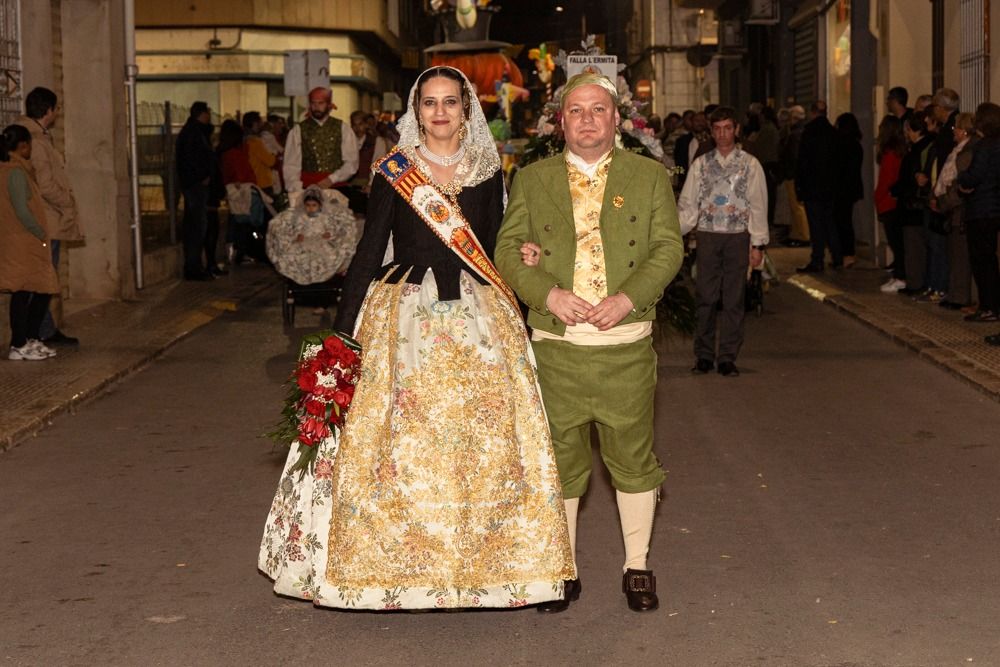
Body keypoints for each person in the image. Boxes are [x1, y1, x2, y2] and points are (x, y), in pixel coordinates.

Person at [259, 66, 574, 610]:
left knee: (487, 438)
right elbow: (368, 251)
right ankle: (392, 569)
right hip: (403, 314)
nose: (441, 113)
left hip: (479, 312)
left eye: (451, 103)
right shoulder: (393, 170)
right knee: (394, 442)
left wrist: (523, 265)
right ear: (416, 111)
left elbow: (496, 244)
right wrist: (341, 337)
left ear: (467, 110)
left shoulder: (484, 168)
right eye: (430, 103)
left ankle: (498, 568)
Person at [496, 72, 684, 613]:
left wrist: (628, 299)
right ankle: (563, 569)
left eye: (597, 109)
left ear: (616, 119)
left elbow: (667, 249)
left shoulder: (648, 177)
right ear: (561, 121)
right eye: (575, 110)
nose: (586, 120)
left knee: (634, 460)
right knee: (561, 460)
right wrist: (547, 295)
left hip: (625, 344)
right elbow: (508, 251)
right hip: (557, 347)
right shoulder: (531, 179)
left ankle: (638, 566)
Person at [678, 106, 768, 377]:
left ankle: (727, 355)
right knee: (705, 296)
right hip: (707, 235)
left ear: (736, 130)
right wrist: (675, 232)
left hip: (737, 236)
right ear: (711, 131)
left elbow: (759, 205)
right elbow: (688, 204)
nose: (722, 134)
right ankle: (704, 354)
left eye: (727, 128)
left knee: (733, 298)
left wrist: (758, 244)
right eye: (717, 129)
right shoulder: (701, 165)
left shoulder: (750, 165)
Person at [18, 87, 80, 346]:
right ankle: (35, 333)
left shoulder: (34, 137)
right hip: (46, 218)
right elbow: (44, 184)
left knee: (44, 278)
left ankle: (44, 329)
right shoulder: (37, 142)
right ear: (48, 110)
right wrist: (68, 202)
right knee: (43, 279)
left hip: (42, 218)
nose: (57, 113)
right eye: (56, 108)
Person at [1, 124, 59, 361]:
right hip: (23, 240)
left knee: (38, 289)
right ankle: (19, 343)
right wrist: (39, 232)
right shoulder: (14, 172)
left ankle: (30, 339)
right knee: (25, 291)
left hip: (22, 240)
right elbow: (22, 210)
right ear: (23, 146)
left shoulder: (16, 169)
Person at [958, 102, 1000, 325]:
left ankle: (989, 307)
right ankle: (992, 306)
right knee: (990, 260)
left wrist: (962, 181)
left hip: (981, 209)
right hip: (994, 209)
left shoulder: (984, 147)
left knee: (982, 262)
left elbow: (973, 176)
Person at [265, 185, 358, 285]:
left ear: (320, 205)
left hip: (321, 242)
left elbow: (332, 227)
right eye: (308, 205)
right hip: (304, 242)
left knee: (327, 256)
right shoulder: (300, 217)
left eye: (314, 205)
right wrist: (297, 236)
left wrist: (329, 233)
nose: (311, 208)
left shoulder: (325, 217)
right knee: (296, 256)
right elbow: (296, 228)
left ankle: (324, 280)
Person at [931, 112, 976, 310]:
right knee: (954, 253)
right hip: (953, 210)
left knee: (960, 256)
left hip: (960, 211)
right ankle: (955, 293)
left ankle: (960, 296)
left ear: (964, 129)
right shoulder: (959, 150)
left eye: (955, 128)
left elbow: (957, 184)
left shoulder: (967, 152)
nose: (953, 132)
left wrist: (943, 202)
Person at [282, 87, 359, 201]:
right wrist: (296, 189)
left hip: (337, 188)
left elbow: (352, 163)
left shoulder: (343, 128)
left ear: (329, 105)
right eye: (313, 103)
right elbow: (291, 165)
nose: (316, 107)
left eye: (320, 103)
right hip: (307, 189)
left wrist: (332, 179)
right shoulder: (298, 130)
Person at [891, 111, 935, 296]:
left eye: (908, 130)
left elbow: (910, 179)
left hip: (913, 207)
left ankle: (915, 283)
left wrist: (896, 189)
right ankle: (917, 282)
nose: (906, 134)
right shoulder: (925, 148)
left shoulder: (917, 151)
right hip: (916, 206)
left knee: (914, 248)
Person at [795, 100, 840, 272]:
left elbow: (803, 162)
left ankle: (817, 259)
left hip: (812, 186)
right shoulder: (832, 132)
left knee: (816, 224)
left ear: (813, 112)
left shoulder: (809, 132)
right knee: (829, 221)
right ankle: (837, 256)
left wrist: (800, 186)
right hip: (829, 187)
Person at [175, 101, 217, 280]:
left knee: (198, 224)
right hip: (194, 185)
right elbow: (192, 159)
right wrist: (202, 176)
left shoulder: (195, 132)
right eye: (208, 113)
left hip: (194, 184)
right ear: (202, 114)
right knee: (196, 226)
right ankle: (193, 267)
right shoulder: (193, 133)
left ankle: (195, 266)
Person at [875, 115, 908, 292]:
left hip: (889, 203)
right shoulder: (900, 151)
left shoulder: (890, 154)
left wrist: (878, 198)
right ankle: (899, 274)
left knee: (897, 243)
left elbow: (886, 181)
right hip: (894, 203)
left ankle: (901, 276)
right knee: (898, 243)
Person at [833, 113, 864, 268]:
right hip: (851, 188)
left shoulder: (841, 144)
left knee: (842, 222)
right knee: (845, 221)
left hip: (841, 188)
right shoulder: (856, 145)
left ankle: (846, 254)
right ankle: (848, 254)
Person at [780, 105, 810, 247]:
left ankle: (803, 235)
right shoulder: (801, 131)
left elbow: (793, 155)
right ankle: (797, 233)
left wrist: (789, 172)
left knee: (797, 207)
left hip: (793, 174)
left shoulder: (795, 134)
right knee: (795, 207)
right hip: (796, 174)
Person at [242, 111, 278, 196]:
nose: (262, 124)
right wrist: (273, 155)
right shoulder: (255, 142)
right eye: (260, 122)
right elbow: (270, 161)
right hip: (262, 182)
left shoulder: (243, 140)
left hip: (248, 181)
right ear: (255, 124)